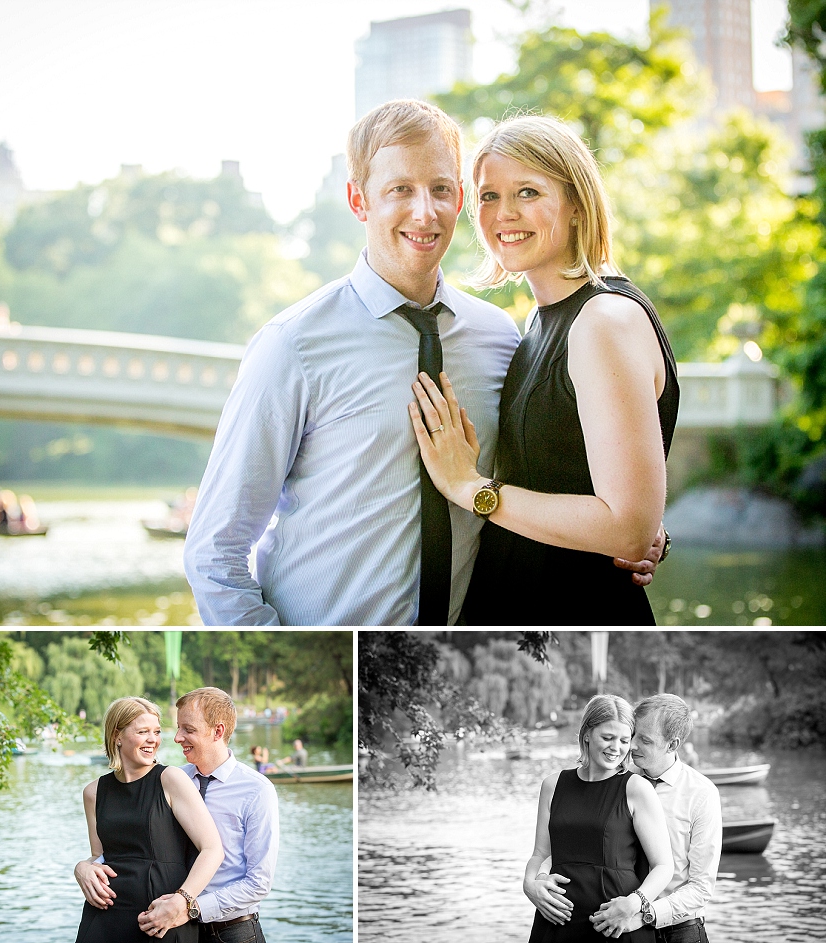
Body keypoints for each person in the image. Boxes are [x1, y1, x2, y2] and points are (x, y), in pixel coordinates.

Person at [184, 100, 660, 626]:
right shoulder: (291, 346)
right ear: (357, 200)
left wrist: (638, 531)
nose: (424, 212)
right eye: (399, 190)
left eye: (440, 189)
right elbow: (215, 554)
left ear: (458, 199)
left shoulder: (500, 337)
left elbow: (553, 467)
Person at [409, 114, 677, 625]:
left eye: (527, 192)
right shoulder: (537, 321)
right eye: (489, 196)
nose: (504, 214)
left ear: (576, 204)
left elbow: (626, 530)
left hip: (571, 610)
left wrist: (471, 488)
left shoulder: (602, 321)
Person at [75, 687, 279, 943]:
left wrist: (189, 906)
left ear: (217, 732)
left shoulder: (257, 790)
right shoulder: (168, 778)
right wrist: (83, 867)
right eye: (177, 728)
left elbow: (258, 882)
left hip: (230, 930)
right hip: (167, 923)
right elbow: (121, 848)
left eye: (188, 729)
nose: (176, 737)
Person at [523, 694, 673, 942]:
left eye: (624, 740)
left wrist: (634, 903)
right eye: (607, 737)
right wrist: (531, 885)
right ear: (586, 734)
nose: (617, 748)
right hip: (556, 923)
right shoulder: (552, 785)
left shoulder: (637, 788)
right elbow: (540, 853)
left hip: (614, 926)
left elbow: (664, 866)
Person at [74, 696, 223, 942]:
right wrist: (82, 868)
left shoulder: (171, 779)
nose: (153, 739)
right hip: (105, 919)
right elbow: (99, 856)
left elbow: (212, 849)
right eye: (143, 731)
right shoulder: (94, 792)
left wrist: (182, 900)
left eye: (156, 731)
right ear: (116, 736)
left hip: (160, 918)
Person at [590, 694, 722, 943]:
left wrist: (642, 915)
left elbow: (701, 888)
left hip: (677, 932)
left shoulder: (701, 794)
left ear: (672, 745)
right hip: (615, 926)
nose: (632, 746)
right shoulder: (616, 779)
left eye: (645, 740)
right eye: (634, 735)